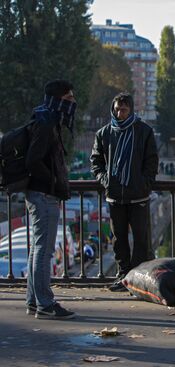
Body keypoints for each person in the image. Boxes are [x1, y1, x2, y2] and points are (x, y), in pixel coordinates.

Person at [91, 92, 159, 292]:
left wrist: (144, 183)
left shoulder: (144, 131)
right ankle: (123, 276)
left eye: (124, 110)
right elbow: (96, 162)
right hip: (115, 196)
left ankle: (138, 277)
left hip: (138, 195)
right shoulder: (104, 133)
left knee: (141, 238)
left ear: (131, 110)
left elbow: (151, 161)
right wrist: (106, 181)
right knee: (118, 238)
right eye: (117, 109)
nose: (120, 113)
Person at [25, 80, 76, 319]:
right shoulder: (46, 123)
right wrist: (53, 183)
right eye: (69, 98)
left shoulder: (45, 118)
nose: (73, 103)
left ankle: (34, 301)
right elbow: (33, 160)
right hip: (44, 194)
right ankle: (45, 303)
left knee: (38, 249)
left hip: (40, 193)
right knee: (44, 251)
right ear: (58, 100)